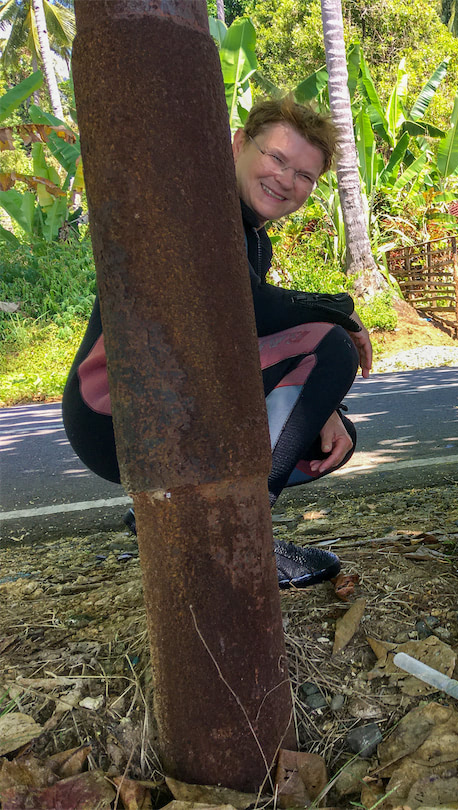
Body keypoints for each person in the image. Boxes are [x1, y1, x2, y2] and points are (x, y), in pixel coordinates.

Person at [62, 97, 373, 588]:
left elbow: (243, 334)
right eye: (276, 158)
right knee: (333, 345)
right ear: (237, 144)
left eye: (306, 176)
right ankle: (239, 536)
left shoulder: (251, 237)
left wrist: (322, 399)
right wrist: (340, 309)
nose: (287, 180)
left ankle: (178, 519)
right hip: (118, 414)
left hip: (174, 401)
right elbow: (245, 304)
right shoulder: (195, 203)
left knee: (329, 436)